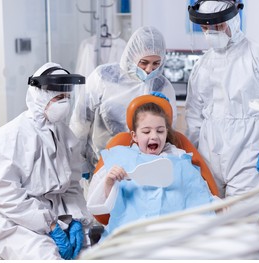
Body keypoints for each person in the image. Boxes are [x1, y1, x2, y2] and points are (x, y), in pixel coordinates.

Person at [0, 62, 93, 260]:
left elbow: (73, 185)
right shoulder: (13, 135)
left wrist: (76, 218)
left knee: (92, 251)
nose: (64, 103)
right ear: (40, 96)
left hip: (57, 212)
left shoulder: (65, 135)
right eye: (58, 97)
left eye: (67, 97)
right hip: (16, 216)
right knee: (47, 259)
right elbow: (5, 194)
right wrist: (49, 225)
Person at [186, 0, 259, 198]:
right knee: (209, 221)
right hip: (208, 154)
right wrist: (190, 152)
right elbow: (194, 116)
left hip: (249, 154)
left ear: (234, 20)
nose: (212, 33)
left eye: (218, 26)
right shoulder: (201, 66)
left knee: (242, 224)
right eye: (206, 28)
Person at [86, 93, 217, 239]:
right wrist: (109, 182)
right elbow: (100, 206)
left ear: (166, 133)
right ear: (134, 136)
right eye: (146, 131)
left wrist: (219, 206)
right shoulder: (121, 158)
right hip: (131, 238)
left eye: (160, 131)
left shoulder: (179, 158)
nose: (154, 136)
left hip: (174, 236)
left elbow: (198, 193)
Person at [69, 26, 178, 180]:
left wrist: (167, 114)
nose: (149, 69)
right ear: (132, 55)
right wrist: (79, 161)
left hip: (144, 170)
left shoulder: (163, 86)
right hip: (102, 166)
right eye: (144, 62)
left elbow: (168, 132)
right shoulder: (103, 78)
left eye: (156, 64)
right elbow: (80, 122)